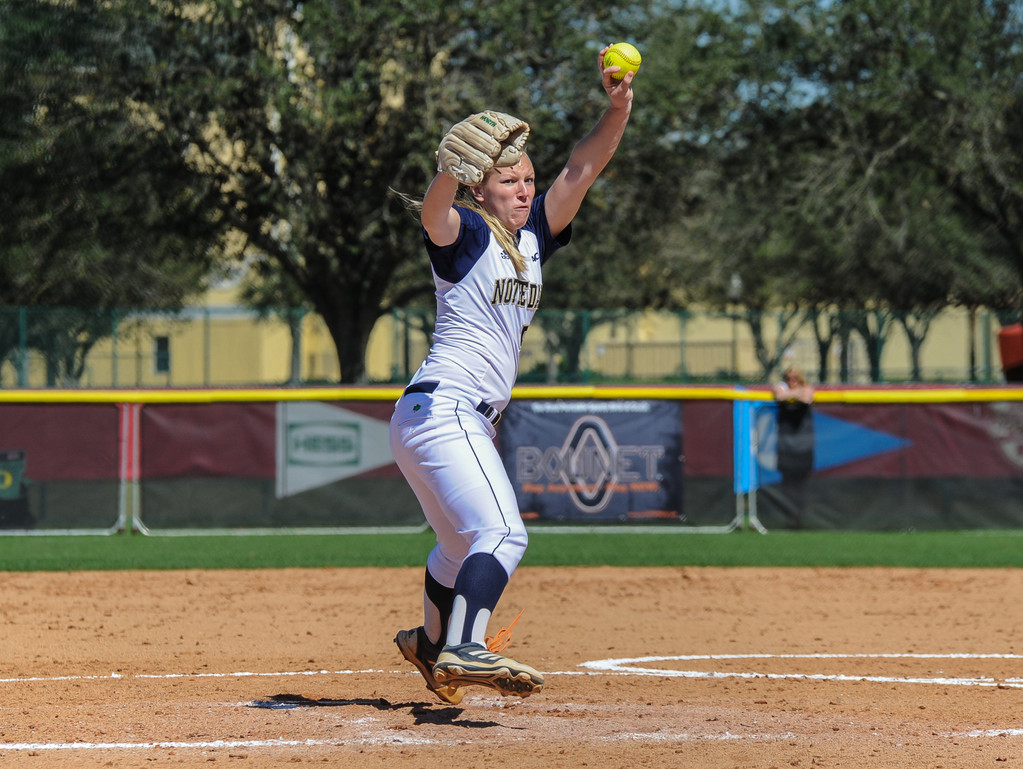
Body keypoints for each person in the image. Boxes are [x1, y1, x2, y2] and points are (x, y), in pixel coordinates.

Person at [390, 47, 634, 703]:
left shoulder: (534, 240)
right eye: (509, 182)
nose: (524, 190)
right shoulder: (466, 232)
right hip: (445, 411)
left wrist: (618, 108)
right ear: (479, 189)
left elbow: (582, 166)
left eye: (527, 180)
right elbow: (430, 216)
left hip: (431, 418)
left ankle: (430, 643)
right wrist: (449, 170)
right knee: (503, 532)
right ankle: (467, 645)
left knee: (457, 546)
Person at [771, 366, 816, 528]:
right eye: (789, 378)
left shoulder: (807, 388)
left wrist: (793, 394)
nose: (792, 382)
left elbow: (807, 398)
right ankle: (788, 519)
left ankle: (801, 519)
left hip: (804, 448)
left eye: (795, 378)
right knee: (787, 485)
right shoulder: (781, 387)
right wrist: (795, 393)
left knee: (802, 486)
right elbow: (779, 394)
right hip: (785, 447)